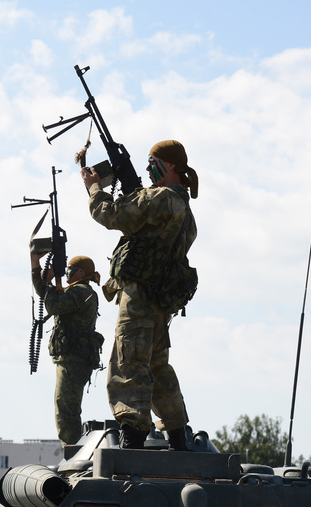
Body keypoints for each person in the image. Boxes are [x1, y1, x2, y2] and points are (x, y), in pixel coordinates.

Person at [80, 139, 199, 450]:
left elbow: (112, 215)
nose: (149, 169)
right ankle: (177, 436)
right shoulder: (183, 207)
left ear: (171, 165)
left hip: (140, 298)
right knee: (157, 367)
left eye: (154, 161)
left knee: (128, 361)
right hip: (161, 302)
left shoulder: (160, 198)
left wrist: (94, 188)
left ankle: (132, 435)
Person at [31, 252, 103, 445]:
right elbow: (45, 294)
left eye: (70, 268)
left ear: (81, 272)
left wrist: (50, 280)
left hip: (74, 360)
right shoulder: (76, 291)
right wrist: (36, 265)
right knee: (65, 406)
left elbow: (53, 306)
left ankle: (71, 450)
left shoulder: (82, 292)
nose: (67, 271)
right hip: (71, 359)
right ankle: (71, 449)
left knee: (66, 409)